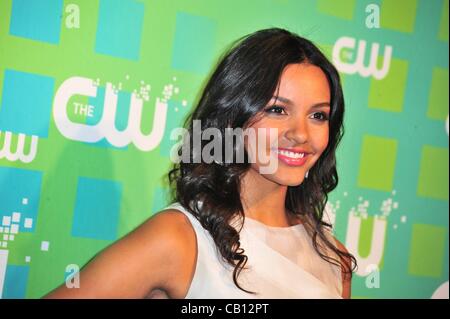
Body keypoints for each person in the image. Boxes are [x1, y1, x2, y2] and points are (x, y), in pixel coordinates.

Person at [45, 27, 356, 299]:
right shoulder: (180, 238)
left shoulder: (333, 257)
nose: (301, 134)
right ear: (233, 116)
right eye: (277, 110)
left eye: (318, 115)